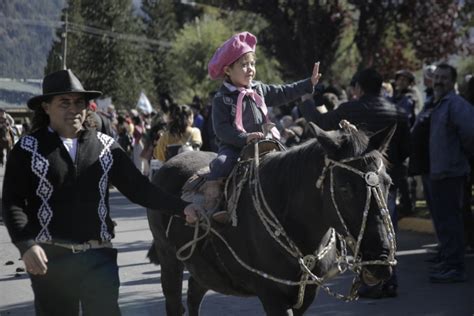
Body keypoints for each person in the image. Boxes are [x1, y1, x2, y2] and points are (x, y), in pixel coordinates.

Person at [1, 69, 189, 315]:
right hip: (51, 260)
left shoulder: (106, 146)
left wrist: (183, 208)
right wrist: (26, 245)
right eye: (64, 102)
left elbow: (140, 189)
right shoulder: (27, 148)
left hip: (99, 257)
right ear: (46, 107)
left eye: (79, 102)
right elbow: (12, 202)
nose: (73, 109)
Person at [184, 31, 321, 224]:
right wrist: (243, 138)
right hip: (234, 148)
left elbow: (283, 92)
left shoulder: (259, 89)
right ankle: (213, 206)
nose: (250, 69)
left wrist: (308, 83)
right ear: (228, 71)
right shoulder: (221, 99)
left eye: (252, 64)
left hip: (266, 143)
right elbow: (221, 129)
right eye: (244, 65)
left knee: (291, 162)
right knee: (222, 164)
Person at [299, 67, 410, 298]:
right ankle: (388, 278)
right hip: (387, 181)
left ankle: (372, 281)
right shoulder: (398, 111)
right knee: (387, 228)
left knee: (365, 227)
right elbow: (406, 149)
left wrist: (307, 101)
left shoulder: (351, 108)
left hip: (357, 183)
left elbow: (320, 123)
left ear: (358, 88)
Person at [427, 63, 474, 283]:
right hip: (437, 172)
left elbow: (470, 135)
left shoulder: (456, 105)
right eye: (436, 77)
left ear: (453, 81)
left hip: (451, 173)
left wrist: (460, 161)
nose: (438, 81)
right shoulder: (436, 104)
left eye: (444, 78)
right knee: (443, 221)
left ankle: (455, 267)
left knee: (452, 221)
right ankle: (447, 260)